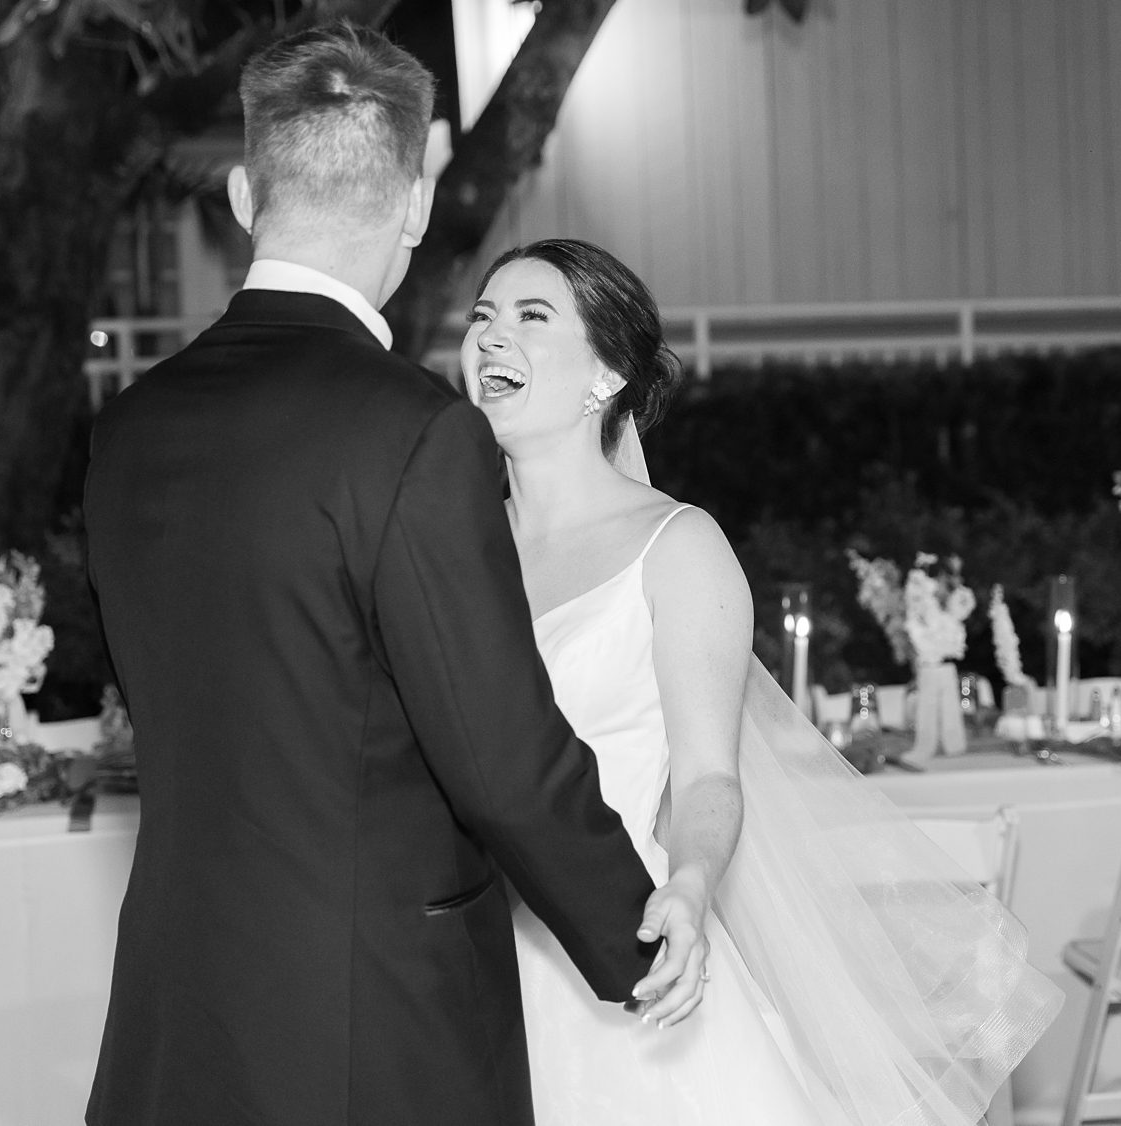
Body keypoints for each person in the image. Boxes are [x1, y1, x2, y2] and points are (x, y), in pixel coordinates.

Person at [83, 27, 697, 1126]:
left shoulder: (127, 429)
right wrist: (634, 937)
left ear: (239, 194)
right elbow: (499, 755)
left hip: (176, 1013)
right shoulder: (415, 436)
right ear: (413, 207)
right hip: (374, 1027)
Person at [463, 238, 1065, 1124]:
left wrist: (694, 883)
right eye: (481, 317)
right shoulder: (450, 545)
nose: (490, 338)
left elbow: (709, 774)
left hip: (628, 959)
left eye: (530, 317)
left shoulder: (678, 548)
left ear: (606, 373)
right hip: (471, 974)